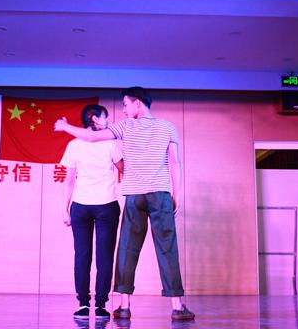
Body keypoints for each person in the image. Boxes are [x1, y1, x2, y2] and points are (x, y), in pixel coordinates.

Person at [55, 87, 195, 321]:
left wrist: (65, 126)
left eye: (125, 104)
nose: (124, 109)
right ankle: (177, 306)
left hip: (133, 196)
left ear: (137, 103)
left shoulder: (124, 127)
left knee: (127, 249)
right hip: (160, 194)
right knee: (167, 248)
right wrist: (176, 194)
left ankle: (124, 306)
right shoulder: (168, 127)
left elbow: (91, 137)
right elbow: (174, 162)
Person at [61, 104, 123, 321]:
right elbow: (125, 170)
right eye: (105, 118)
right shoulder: (111, 144)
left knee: (82, 255)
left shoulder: (73, 145)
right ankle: (101, 306)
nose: (108, 122)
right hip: (106, 205)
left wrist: (65, 209)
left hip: (80, 206)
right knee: (104, 257)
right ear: (95, 119)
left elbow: (69, 181)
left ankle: (83, 305)